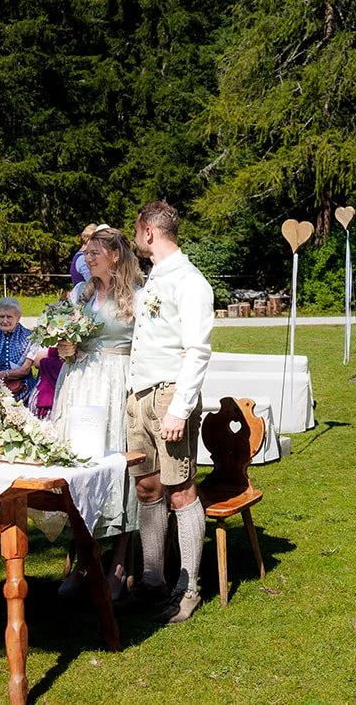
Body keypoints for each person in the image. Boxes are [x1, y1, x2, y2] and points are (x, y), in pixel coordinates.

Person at [125, 200, 214, 624]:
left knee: (180, 488)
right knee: (147, 487)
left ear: (148, 232)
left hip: (168, 397)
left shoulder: (190, 281)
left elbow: (197, 350)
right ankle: (152, 577)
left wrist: (180, 407)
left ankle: (188, 585)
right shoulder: (154, 280)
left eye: (137, 231)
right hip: (139, 395)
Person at [52, 226, 144, 600]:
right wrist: (64, 346)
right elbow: (64, 339)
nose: (86, 260)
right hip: (80, 383)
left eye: (94, 254)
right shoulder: (80, 293)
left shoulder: (138, 294)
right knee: (79, 470)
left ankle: (119, 563)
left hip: (117, 382)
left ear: (115, 256)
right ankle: (82, 560)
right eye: (85, 254)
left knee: (117, 467)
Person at [0, 297, 37, 403]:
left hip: (23, 386)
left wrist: (6, 374)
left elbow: (25, 369)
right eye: (1, 316)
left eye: (9, 317)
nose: (4, 321)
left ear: (18, 318)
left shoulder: (30, 337)